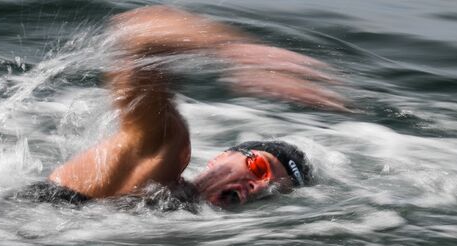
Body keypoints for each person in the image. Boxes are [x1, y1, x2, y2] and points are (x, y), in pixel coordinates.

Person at [31, 6, 347, 208]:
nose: (257, 185)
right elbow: (140, 33)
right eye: (259, 168)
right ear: (221, 158)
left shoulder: (189, 219)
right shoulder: (163, 153)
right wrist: (234, 51)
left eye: (271, 190)